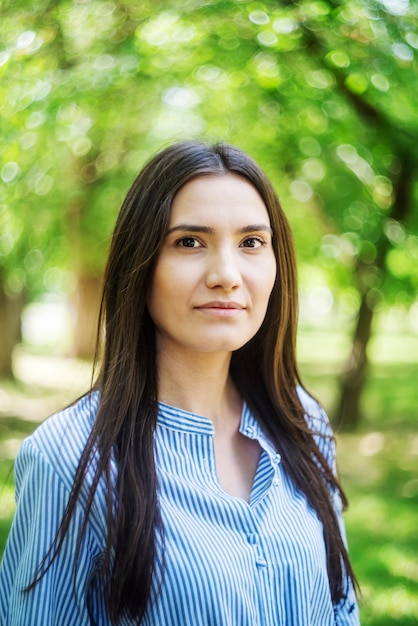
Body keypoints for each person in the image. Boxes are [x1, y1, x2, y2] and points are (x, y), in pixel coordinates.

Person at [0, 141, 360, 625]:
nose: (227, 275)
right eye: (189, 242)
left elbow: (341, 610)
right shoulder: (69, 460)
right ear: (140, 263)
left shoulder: (303, 422)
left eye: (252, 242)